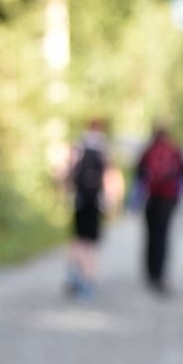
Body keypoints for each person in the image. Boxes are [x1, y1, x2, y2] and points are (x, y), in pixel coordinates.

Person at [136, 126, 183, 295]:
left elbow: (139, 172)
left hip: (152, 198)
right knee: (163, 236)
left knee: (151, 235)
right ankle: (160, 274)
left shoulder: (148, 150)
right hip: (169, 199)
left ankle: (150, 272)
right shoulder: (175, 149)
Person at [66, 119, 109, 299]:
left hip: (80, 200)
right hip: (95, 202)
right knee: (91, 243)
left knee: (78, 238)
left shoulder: (79, 144)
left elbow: (68, 172)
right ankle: (88, 279)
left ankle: (74, 274)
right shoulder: (103, 147)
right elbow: (110, 174)